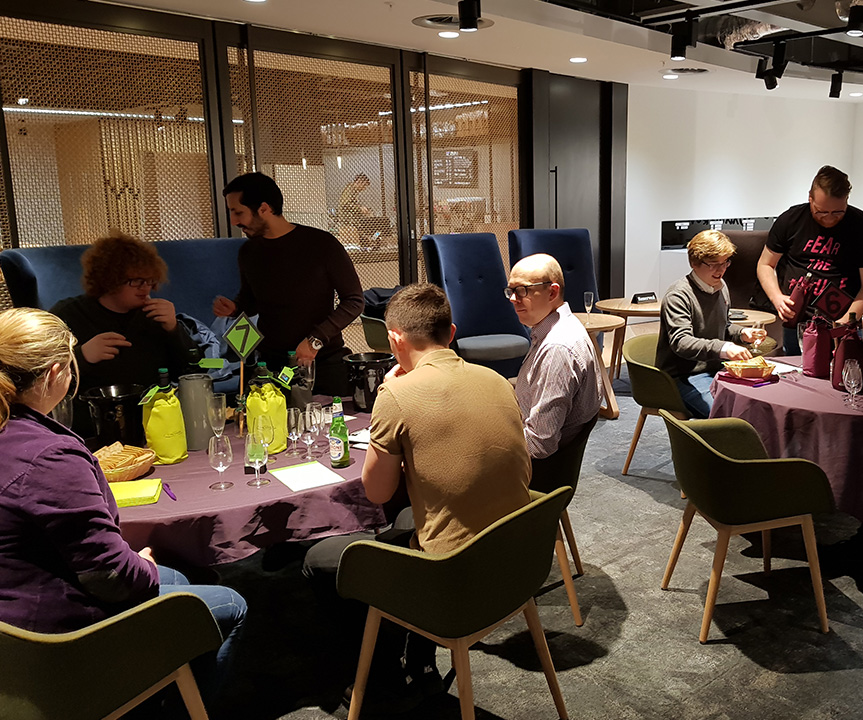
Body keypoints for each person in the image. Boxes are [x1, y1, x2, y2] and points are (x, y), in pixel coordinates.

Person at [0, 307, 245, 713]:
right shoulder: (50, 456)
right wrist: (141, 565)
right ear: (57, 372)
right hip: (51, 640)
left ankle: (161, 681)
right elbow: (109, 574)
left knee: (177, 574)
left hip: (16, 606)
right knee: (230, 603)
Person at [302, 283, 531, 712]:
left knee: (321, 559)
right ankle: (422, 662)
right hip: (514, 562)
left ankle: (383, 677)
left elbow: (376, 491)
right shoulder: (497, 380)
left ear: (395, 340)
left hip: (452, 576)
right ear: (452, 331)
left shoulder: (397, 394)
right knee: (408, 519)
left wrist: (388, 395)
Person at [213, 172, 365, 396]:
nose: (234, 221)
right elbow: (252, 301)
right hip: (270, 367)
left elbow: (354, 301)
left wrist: (315, 340)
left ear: (264, 208)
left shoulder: (321, 244)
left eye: (238, 212)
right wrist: (235, 308)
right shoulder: (248, 251)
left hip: (323, 364)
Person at [50, 231, 199, 439]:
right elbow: (43, 377)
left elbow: (192, 369)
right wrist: (81, 356)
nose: (145, 289)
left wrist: (174, 329)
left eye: (150, 281)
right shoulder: (69, 314)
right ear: (109, 280)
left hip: (153, 425)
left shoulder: (153, 315)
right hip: (92, 430)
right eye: (136, 281)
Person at [755, 165, 863, 355]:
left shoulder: (862, 225)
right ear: (810, 198)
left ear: (846, 200)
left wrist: (848, 319)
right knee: (794, 377)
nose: (829, 219)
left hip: (842, 321)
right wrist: (777, 297)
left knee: (841, 377)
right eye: (821, 212)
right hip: (797, 322)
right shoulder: (791, 219)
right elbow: (765, 264)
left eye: (837, 212)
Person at [657, 230, 768, 418]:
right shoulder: (678, 295)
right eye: (713, 264)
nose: (721, 270)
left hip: (715, 369)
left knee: (757, 403)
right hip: (682, 376)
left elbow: (723, 327)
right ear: (694, 263)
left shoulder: (720, 286)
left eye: (725, 263)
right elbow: (681, 342)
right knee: (725, 415)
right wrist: (723, 347)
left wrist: (741, 333)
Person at [506, 253, 601, 460]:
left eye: (522, 290)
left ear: (552, 292)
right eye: (511, 291)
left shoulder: (557, 349)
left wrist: (488, 443)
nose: (513, 299)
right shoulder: (559, 327)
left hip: (533, 472)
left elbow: (539, 445)